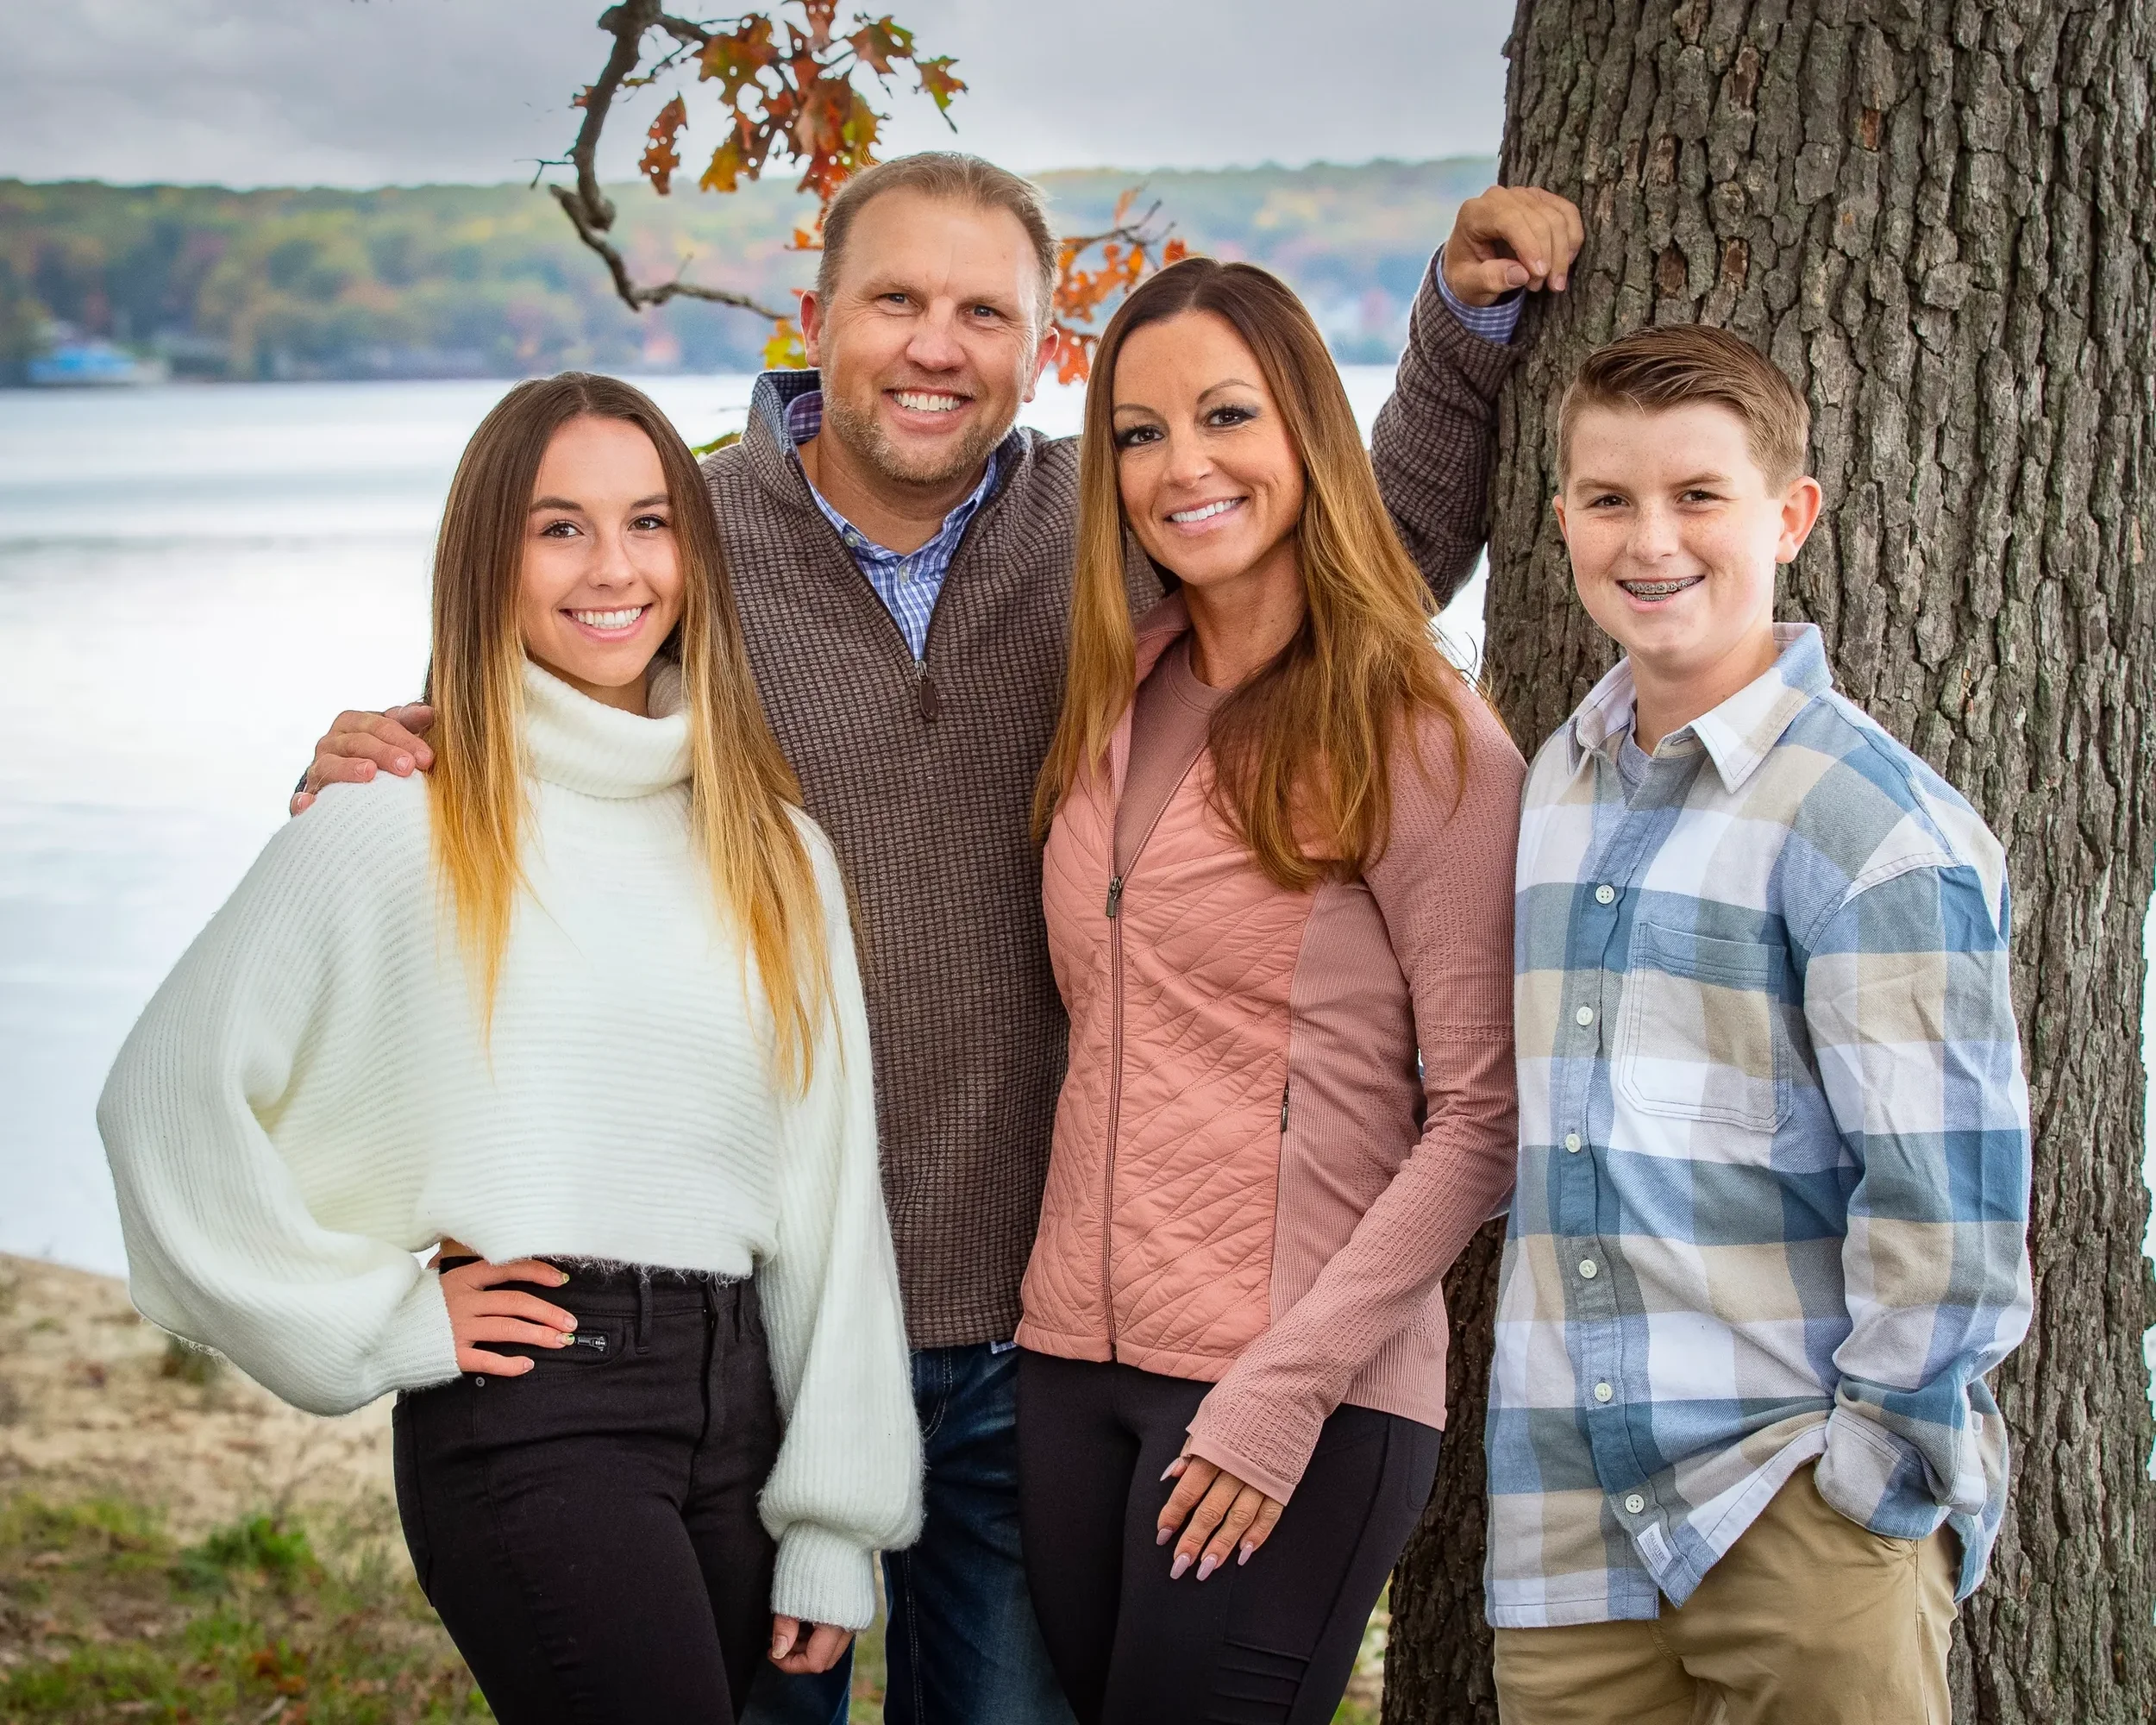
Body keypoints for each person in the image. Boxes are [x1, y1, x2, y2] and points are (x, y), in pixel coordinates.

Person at [292, 154, 1586, 1725]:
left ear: (1043, 349)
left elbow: (1337, 552)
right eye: (895, 298)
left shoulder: (1100, 522)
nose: (934, 343)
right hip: (764, 1323)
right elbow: (545, 705)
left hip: (1025, 1340)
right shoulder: (694, 538)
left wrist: (1457, 329)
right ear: (817, 315)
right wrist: (386, 754)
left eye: (985, 311)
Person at [98, 373, 922, 1724]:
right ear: (489, 558)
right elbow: (164, 1106)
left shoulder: (774, 850)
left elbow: (830, 1199)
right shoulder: (395, 821)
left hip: (746, 1411)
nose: (615, 568)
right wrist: (376, 1321)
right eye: (560, 528)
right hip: (541, 1409)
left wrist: (837, 1514)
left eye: (651, 522)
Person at [1484, 325, 2033, 1724]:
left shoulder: (1866, 828)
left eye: (1698, 497)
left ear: (1789, 516)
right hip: (1571, 1541)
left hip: (1789, 1510)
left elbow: (1950, 1211)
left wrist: (1868, 1485)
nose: (1650, 538)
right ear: (1561, 523)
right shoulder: (1558, 783)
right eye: (1609, 500)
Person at [1018, 257, 1526, 1722]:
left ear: (1307, 430)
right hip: (1071, 1368)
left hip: (1291, 1387)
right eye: (1138, 432)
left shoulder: (1418, 731)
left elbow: (1482, 1125)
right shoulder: (1117, 688)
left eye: (1227, 415)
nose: (1185, 468)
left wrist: (1283, 1388)